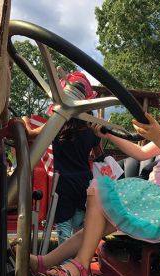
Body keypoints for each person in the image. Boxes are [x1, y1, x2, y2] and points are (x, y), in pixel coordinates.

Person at [29, 49, 160, 276]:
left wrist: (158, 135)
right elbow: (141, 152)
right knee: (95, 225)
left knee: (98, 190)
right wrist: (107, 132)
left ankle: (81, 267)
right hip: (152, 192)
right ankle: (45, 262)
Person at [23, 72, 102, 244]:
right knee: (79, 227)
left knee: (64, 228)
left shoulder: (57, 124)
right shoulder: (90, 129)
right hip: (84, 182)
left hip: (63, 183)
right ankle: (78, 264)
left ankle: (65, 264)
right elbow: (99, 156)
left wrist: (24, 120)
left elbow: (30, 135)